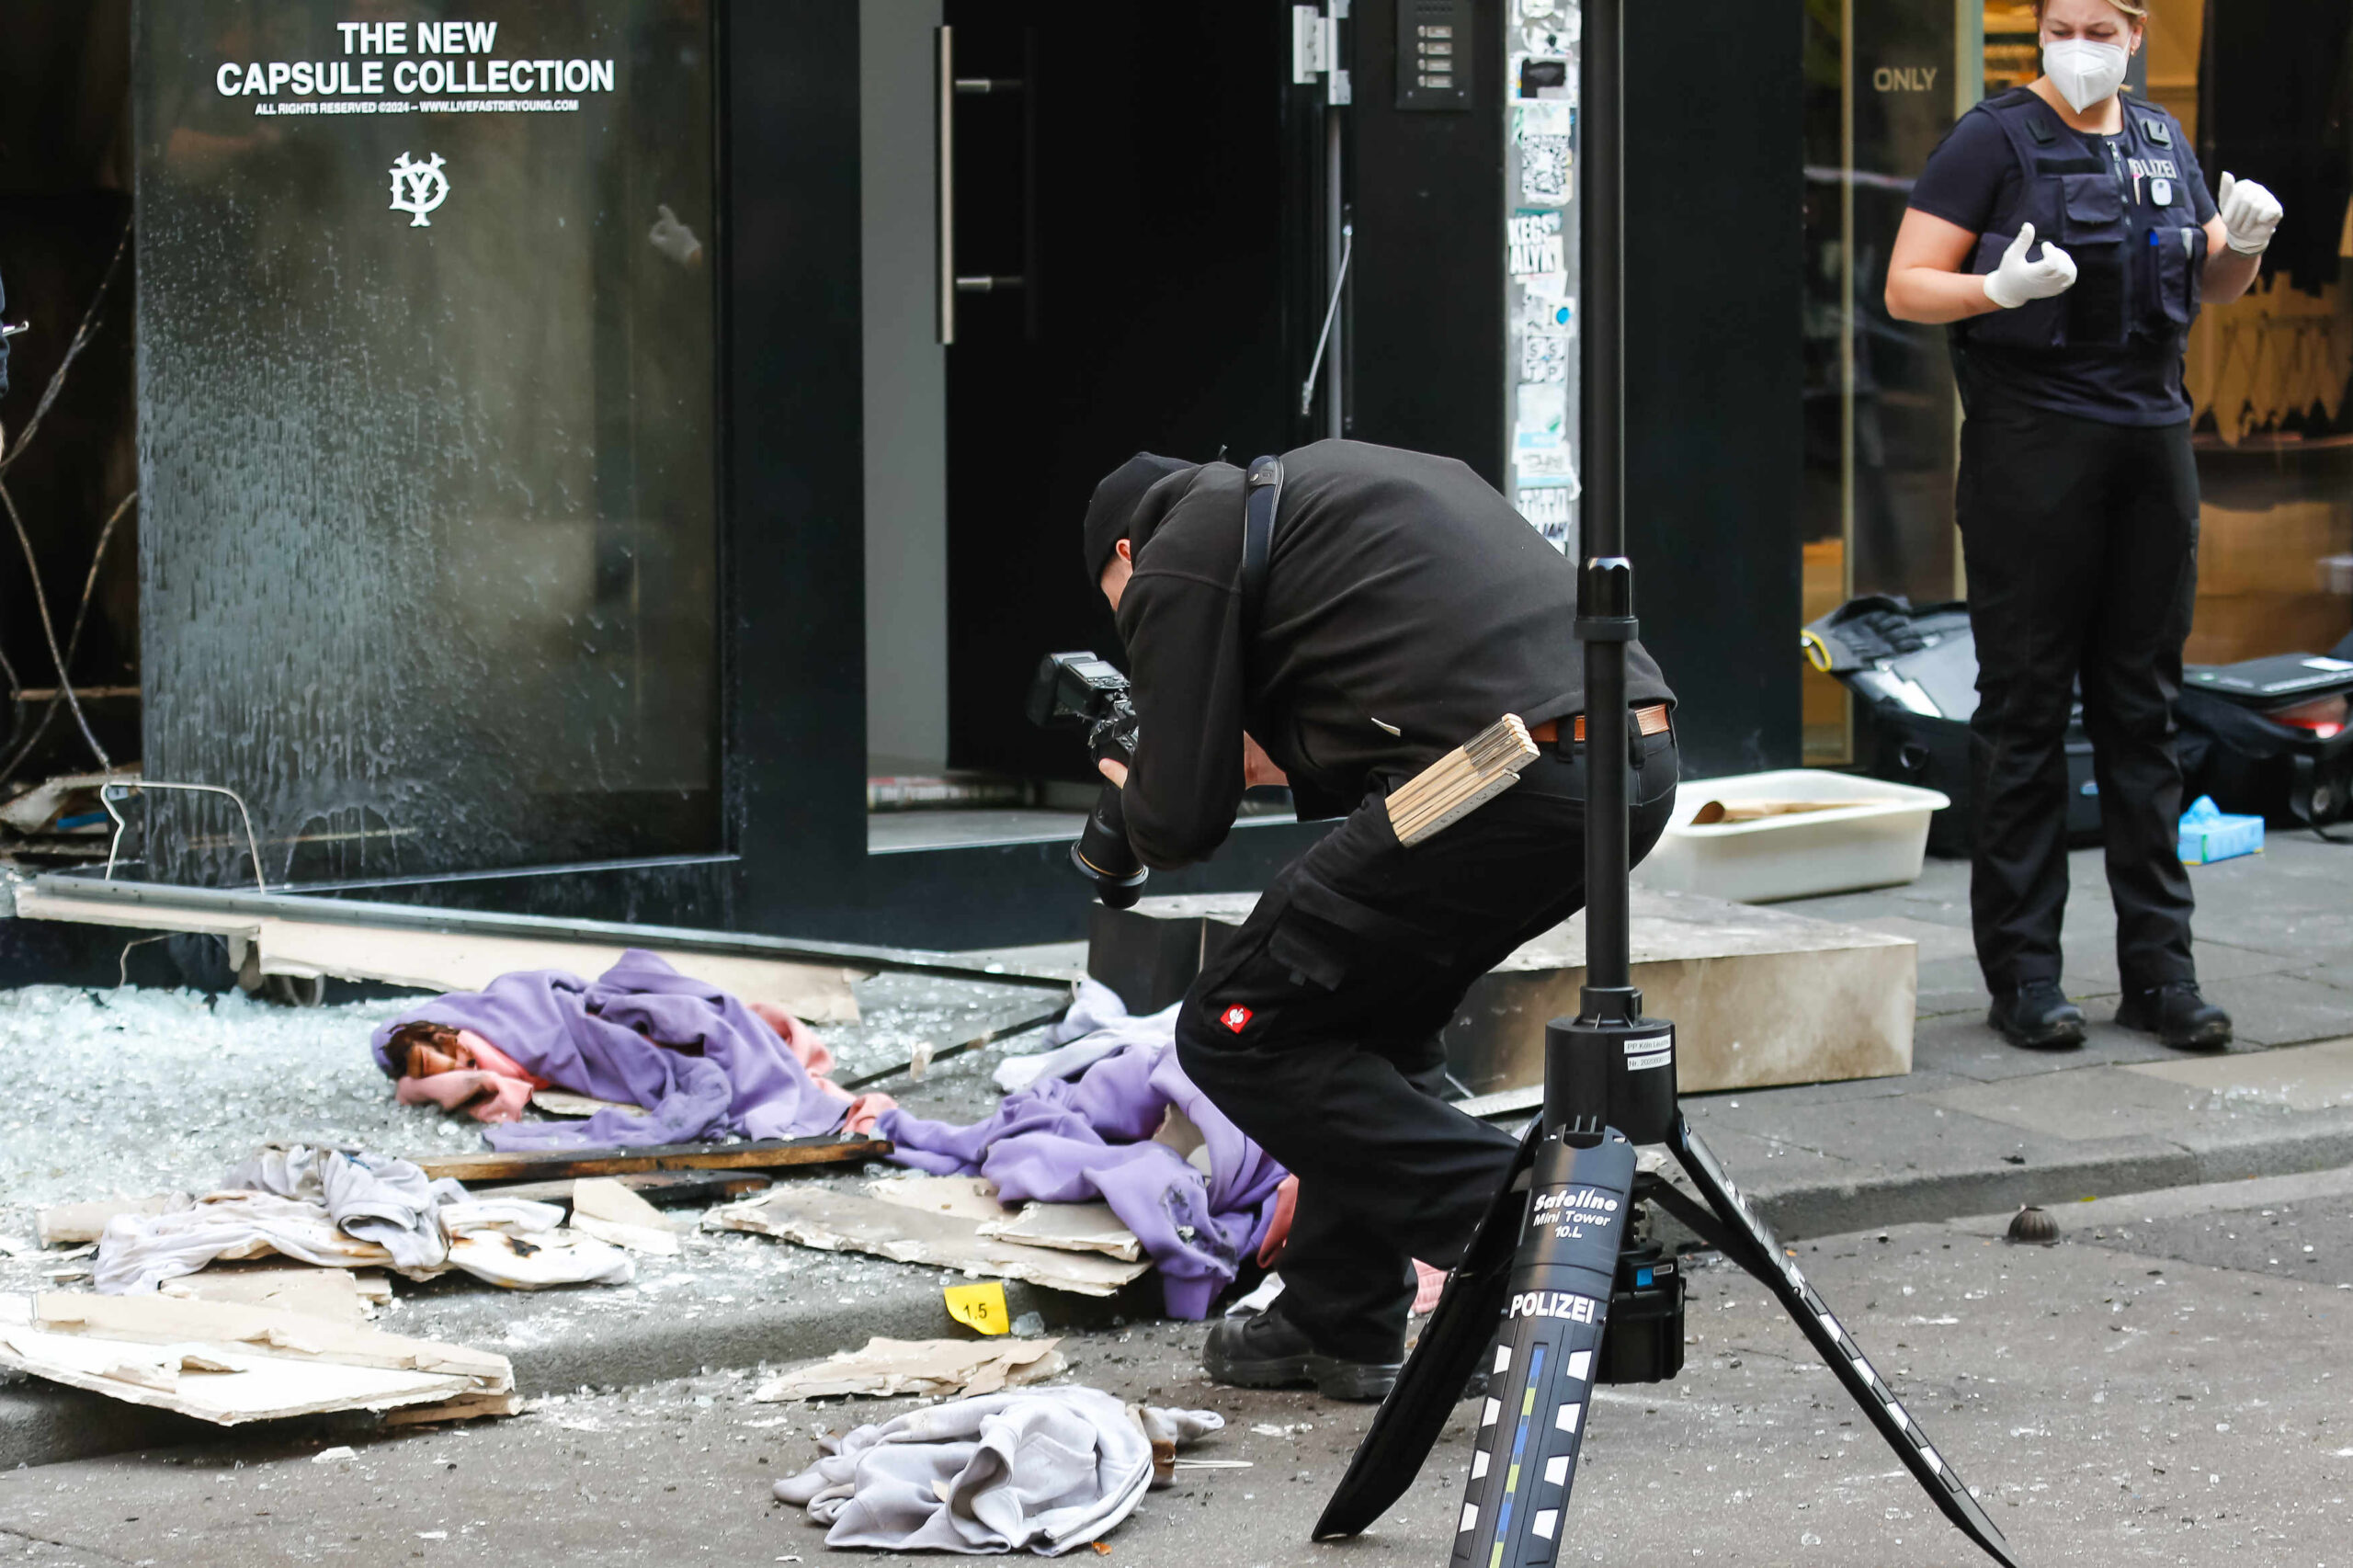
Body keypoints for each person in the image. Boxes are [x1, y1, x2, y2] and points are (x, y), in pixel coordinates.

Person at [1078, 439, 1678, 1399]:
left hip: (1499, 770)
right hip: (1627, 760)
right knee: (1356, 1011)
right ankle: (1337, 1313)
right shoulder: (1327, 494)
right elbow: (1406, 685)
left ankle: (1533, 1227)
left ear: (1123, 550)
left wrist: (1134, 774)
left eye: (1123, 614)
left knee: (1238, 1025)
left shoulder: (1175, 546)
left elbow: (1180, 823)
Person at [1884, 0, 2283, 1052]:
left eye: (2096, 25)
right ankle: (2023, 976)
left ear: (2134, 33)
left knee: (2144, 711)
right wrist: (1993, 287)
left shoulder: (2159, 138)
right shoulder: (1991, 137)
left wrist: (2241, 245)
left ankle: (2162, 976)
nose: (2075, 40)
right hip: (2032, 443)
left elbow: (2210, 283)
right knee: (2023, 708)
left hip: (2151, 442)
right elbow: (1905, 284)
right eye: (2059, 21)